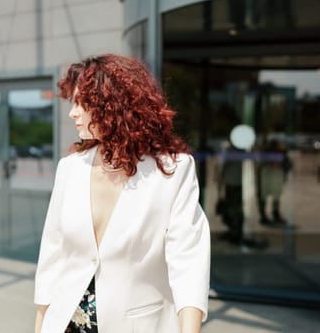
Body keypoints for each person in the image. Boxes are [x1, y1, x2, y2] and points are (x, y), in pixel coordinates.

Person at [34, 54, 210, 333]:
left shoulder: (172, 170)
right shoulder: (70, 168)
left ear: (113, 105)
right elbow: (52, 254)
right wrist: (41, 324)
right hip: (66, 324)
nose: (72, 113)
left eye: (81, 103)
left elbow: (188, 259)